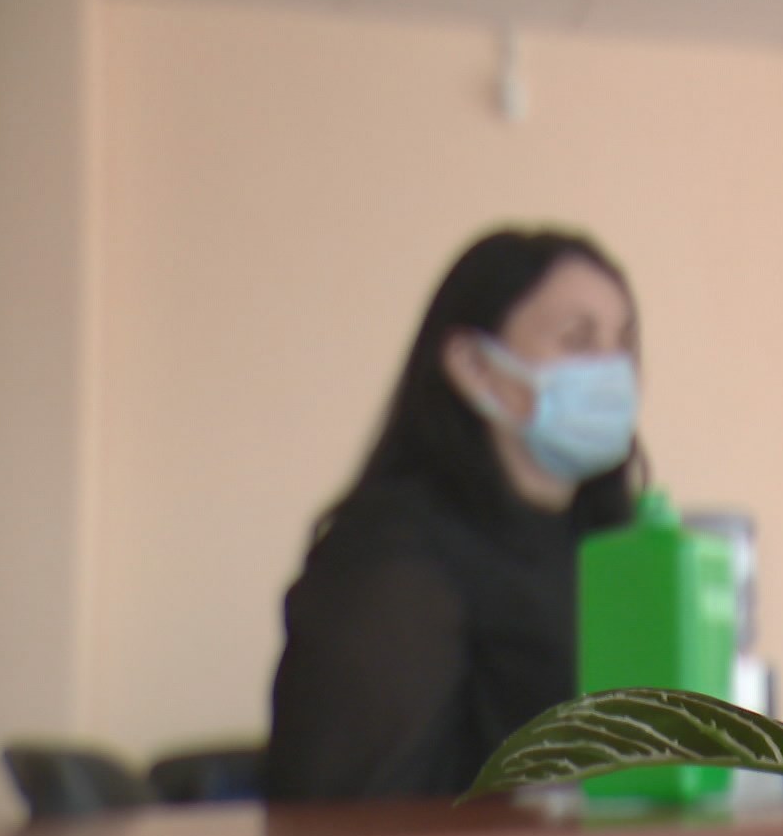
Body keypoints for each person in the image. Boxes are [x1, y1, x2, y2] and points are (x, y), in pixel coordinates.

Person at [266, 228, 644, 799]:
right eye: (577, 340)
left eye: (624, 344)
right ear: (475, 366)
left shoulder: (616, 545)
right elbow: (357, 818)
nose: (612, 370)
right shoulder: (390, 552)